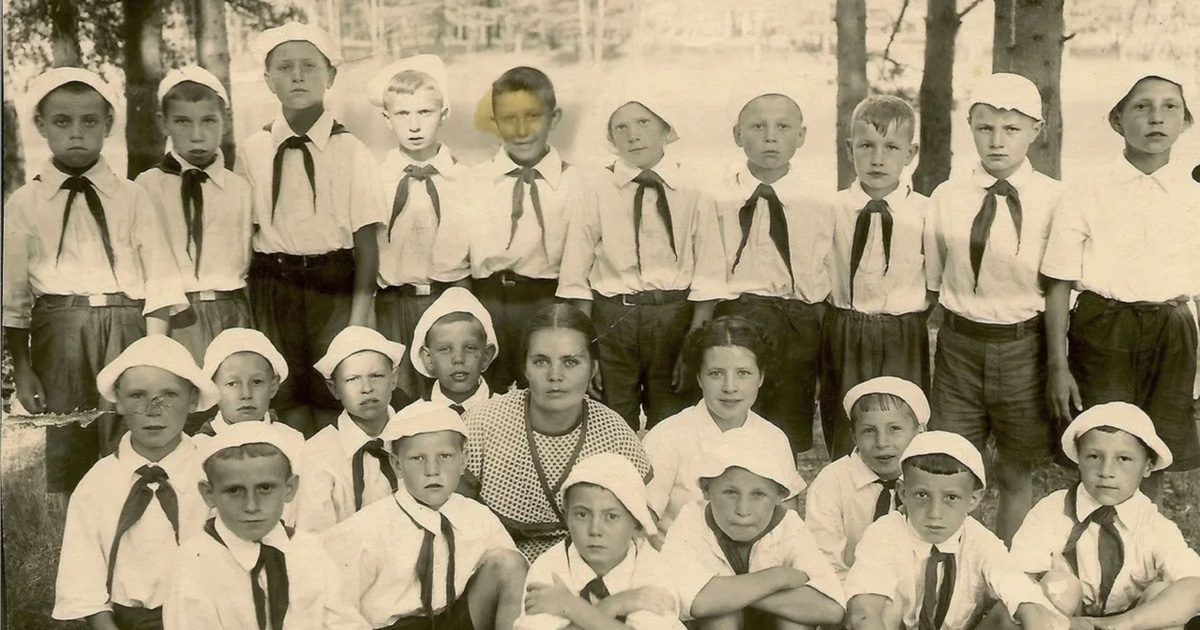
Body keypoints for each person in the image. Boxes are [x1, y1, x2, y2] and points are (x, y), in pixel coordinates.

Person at [3, 67, 188, 496]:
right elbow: (13, 295)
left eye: (89, 121)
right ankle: (80, 528)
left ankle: (137, 520)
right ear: (41, 126)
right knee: (70, 441)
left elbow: (160, 281)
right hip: (60, 331)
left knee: (131, 433)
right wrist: (23, 370)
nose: (76, 132)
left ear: (107, 125)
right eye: (62, 121)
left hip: (126, 327)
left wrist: (153, 354)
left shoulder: (132, 196)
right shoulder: (26, 203)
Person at [1042, 65, 1200, 495]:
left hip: (1172, 333)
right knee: (1101, 445)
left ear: (1186, 121)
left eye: (1171, 107)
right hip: (1104, 332)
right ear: (1116, 119)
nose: (1156, 118)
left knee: (1154, 451)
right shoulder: (1086, 189)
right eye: (1142, 107)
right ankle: (1089, 531)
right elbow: (1057, 284)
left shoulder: (1193, 192)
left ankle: (1144, 530)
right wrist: (1058, 367)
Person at [924, 72, 1063, 545]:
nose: (997, 140)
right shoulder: (947, 197)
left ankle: (1006, 567)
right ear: (970, 127)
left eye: (1011, 128)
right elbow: (935, 278)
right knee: (950, 464)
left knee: (1014, 469)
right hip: (960, 347)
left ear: (1036, 130)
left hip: (1024, 347)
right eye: (985, 128)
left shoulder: (1054, 199)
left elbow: (1060, 282)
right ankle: (950, 564)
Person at [236, 21, 386, 436]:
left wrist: (358, 319)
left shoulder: (351, 151)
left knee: (334, 388)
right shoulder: (253, 150)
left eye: (309, 66)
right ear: (268, 80)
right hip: (273, 286)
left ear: (331, 75)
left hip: (333, 286)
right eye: (284, 68)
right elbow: (244, 237)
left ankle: (336, 465)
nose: (297, 76)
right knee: (281, 391)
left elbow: (367, 243)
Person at [557, 89, 726, 430]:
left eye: (644, 123)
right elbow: (576, 274)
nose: (633, 135)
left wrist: (693, 345)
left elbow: (709, 272)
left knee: (674, 421)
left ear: (666, 129)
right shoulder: (595, 187)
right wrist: (586, 348)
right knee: (611, 420)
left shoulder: (694, 188)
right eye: (620, 127)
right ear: (610, 138)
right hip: (612, 320)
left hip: (675, 317)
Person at [464, 303, 651, 561]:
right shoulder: (484, 422)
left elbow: (633, 533)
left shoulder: (615, 434)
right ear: (525, 367)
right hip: (496, 566)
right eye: (541, 361)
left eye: (571, 362)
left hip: (584, 567)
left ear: (593, 369)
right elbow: (454, 520)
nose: (555, 375)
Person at [53, 336, 217, 630]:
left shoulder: (213, 473)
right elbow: (83, 581)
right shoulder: (97, 485)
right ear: (117, 400)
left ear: (193, 399)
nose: (153, 409)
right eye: (137, 395)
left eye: (170, 394)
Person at [323, 402, 529, 630]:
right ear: (397, 465)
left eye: (445, 456)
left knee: (510, 563)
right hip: (393, 627)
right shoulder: (370, 527)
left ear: (463, 460)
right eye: (418, 458)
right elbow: (332, 605)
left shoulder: (477, 517)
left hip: (454, 621)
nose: (432, 470)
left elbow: (519, 586)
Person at [713, 85, 835, 454]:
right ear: (737, 135)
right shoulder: (718, 198)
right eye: (757, 127)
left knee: (784, 431)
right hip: (735, 317)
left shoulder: (820, 201)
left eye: (783, 127)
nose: (770, 137)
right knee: (730, 425)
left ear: (801, 136)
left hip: (795, 321)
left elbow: (826, 269)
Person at [844, 431, 1065, 630]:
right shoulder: (885, 533)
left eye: (951, 497)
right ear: (903, 493)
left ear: (973, 499)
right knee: (884, 605)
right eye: (922, 495)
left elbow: (1026, 599)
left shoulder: (980, 541)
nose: (935, 513)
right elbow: (863, 612)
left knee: (1014, 612)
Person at [164, 422, 369, 630]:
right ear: (209, 494)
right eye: (234, 490)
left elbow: (345, 623)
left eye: (265, 488)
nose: (251, 506)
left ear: (290, 488)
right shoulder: (195, 561)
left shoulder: (308, 550)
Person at [1011, 403, 1200, 628]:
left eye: (1124, 459)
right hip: (1063, 623)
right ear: (1078, 459)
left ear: (1148, 466)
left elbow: (1195, 585)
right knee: (1057, 584)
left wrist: (1119, 624)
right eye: (1094, 456)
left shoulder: (1154, 525)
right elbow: (1019, 578)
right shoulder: (1051, 511)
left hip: (1132, 625)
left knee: (1165, 594)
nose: (1106, 471)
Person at [820, 94, 932, 459]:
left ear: (911, 153)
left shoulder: (926, 212)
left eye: (892, 147)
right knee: (847, 424)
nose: (878, 158)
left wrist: (905, 318)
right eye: (866, 146)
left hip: (902, 333)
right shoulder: (832, 209)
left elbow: (935, 281)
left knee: (901, 422)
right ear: (849, 148)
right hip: (845, 329)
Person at [466, 66, 590, 393]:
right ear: (494, 122)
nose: (521, 131)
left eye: (533, 116)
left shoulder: (577, 183)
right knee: (485, 395)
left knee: (545, 393)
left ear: (554, 117)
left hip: (548, 302)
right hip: (488, 301)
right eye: (509, 119)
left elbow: (580, 267)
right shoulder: (474, 180)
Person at [660, 430, 847, 629]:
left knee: (794, 622)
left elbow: (832, 608)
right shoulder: (692, 520)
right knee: (721, 618)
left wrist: (728, 593)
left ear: (780, 495)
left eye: (758, 494)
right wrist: (778, 577)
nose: (743, 510)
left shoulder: (789, 527)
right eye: (730, 492)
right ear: (706, 489)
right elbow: (690, 600)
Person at [368, 54, 473, 403]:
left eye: (425, 112)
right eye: (402, 114)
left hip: (449, 300)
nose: (414, 126)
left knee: (450, 395)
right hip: (393, 305)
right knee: (400, 396)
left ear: (444, 113)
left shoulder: (466, 179)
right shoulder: (374, 180)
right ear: (386, 118)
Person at [642, 316, 806, 537]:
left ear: (761, 377)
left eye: (743, 373)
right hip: (677, 555)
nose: (730, 387)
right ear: (699, 378)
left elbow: (789, 529)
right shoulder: (667, 437)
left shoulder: (774, 438)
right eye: (716, 373)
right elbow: (643, 527)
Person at [137, 65, 254, 363]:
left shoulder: (240, 189)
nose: (197, 135)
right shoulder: (147, 186)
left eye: (208, 121)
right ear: (163, 123)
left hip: (232, 313)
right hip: (174, 316)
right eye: (183, 122)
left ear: (225, 122)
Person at [515, 453, 685, 630]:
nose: (595, 530)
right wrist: (613, 606)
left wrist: (573, 608)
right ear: (566, 517)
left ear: (636, 523)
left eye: (611, 517)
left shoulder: (653, 567)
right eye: (582, 514)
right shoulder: (550, 567)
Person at [806, 376, 928, 584]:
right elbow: (823, 557)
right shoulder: (832, 481)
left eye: (894, 429)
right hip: (847, 587)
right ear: (854, 436)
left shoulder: (931, 478)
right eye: (869, 431)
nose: (882, 442)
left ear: (919, 432)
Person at [294, 326, 406, 533]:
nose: (366, 388)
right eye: (352, 379)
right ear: (334, 388)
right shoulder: (317, 452)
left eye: (376, 375)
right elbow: (314, 534)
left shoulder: (415, 434)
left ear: (394, 378)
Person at [410, 287, 500, 414]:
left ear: (486, 356)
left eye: (470, 348)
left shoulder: (507, 414)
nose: (458, 359)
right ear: (428, 358)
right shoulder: (411, 418)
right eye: (445, 349)